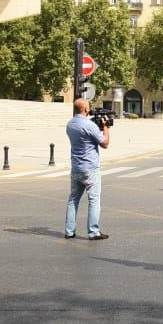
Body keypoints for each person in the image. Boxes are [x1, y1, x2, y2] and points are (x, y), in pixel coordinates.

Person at [64, 97, 110, 240]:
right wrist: (105, 127)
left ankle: (69, 231)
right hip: (90, 169)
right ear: (85, 109)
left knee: (73, 200)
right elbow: (105, 143)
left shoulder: (70, 125)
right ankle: (93, 231)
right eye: (88, 107)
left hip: (76, 168)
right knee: (94, 199)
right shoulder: (89, 125)